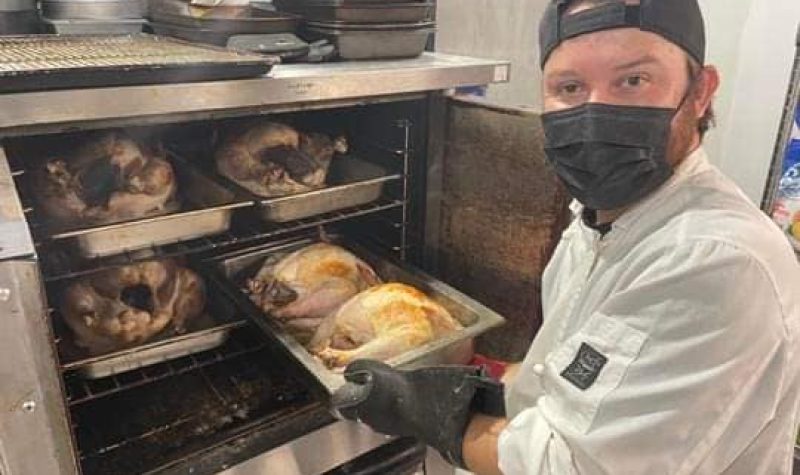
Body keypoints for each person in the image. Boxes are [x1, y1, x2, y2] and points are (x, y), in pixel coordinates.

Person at [332, 0, 800, 473]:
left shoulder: (716, 263)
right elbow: (574, 371)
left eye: (633, 80)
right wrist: (483, 382)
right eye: (570, 87)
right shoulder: (600, 219)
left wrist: (420, 411)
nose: (596, 111)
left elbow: (566, 466)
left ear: (701, 92)